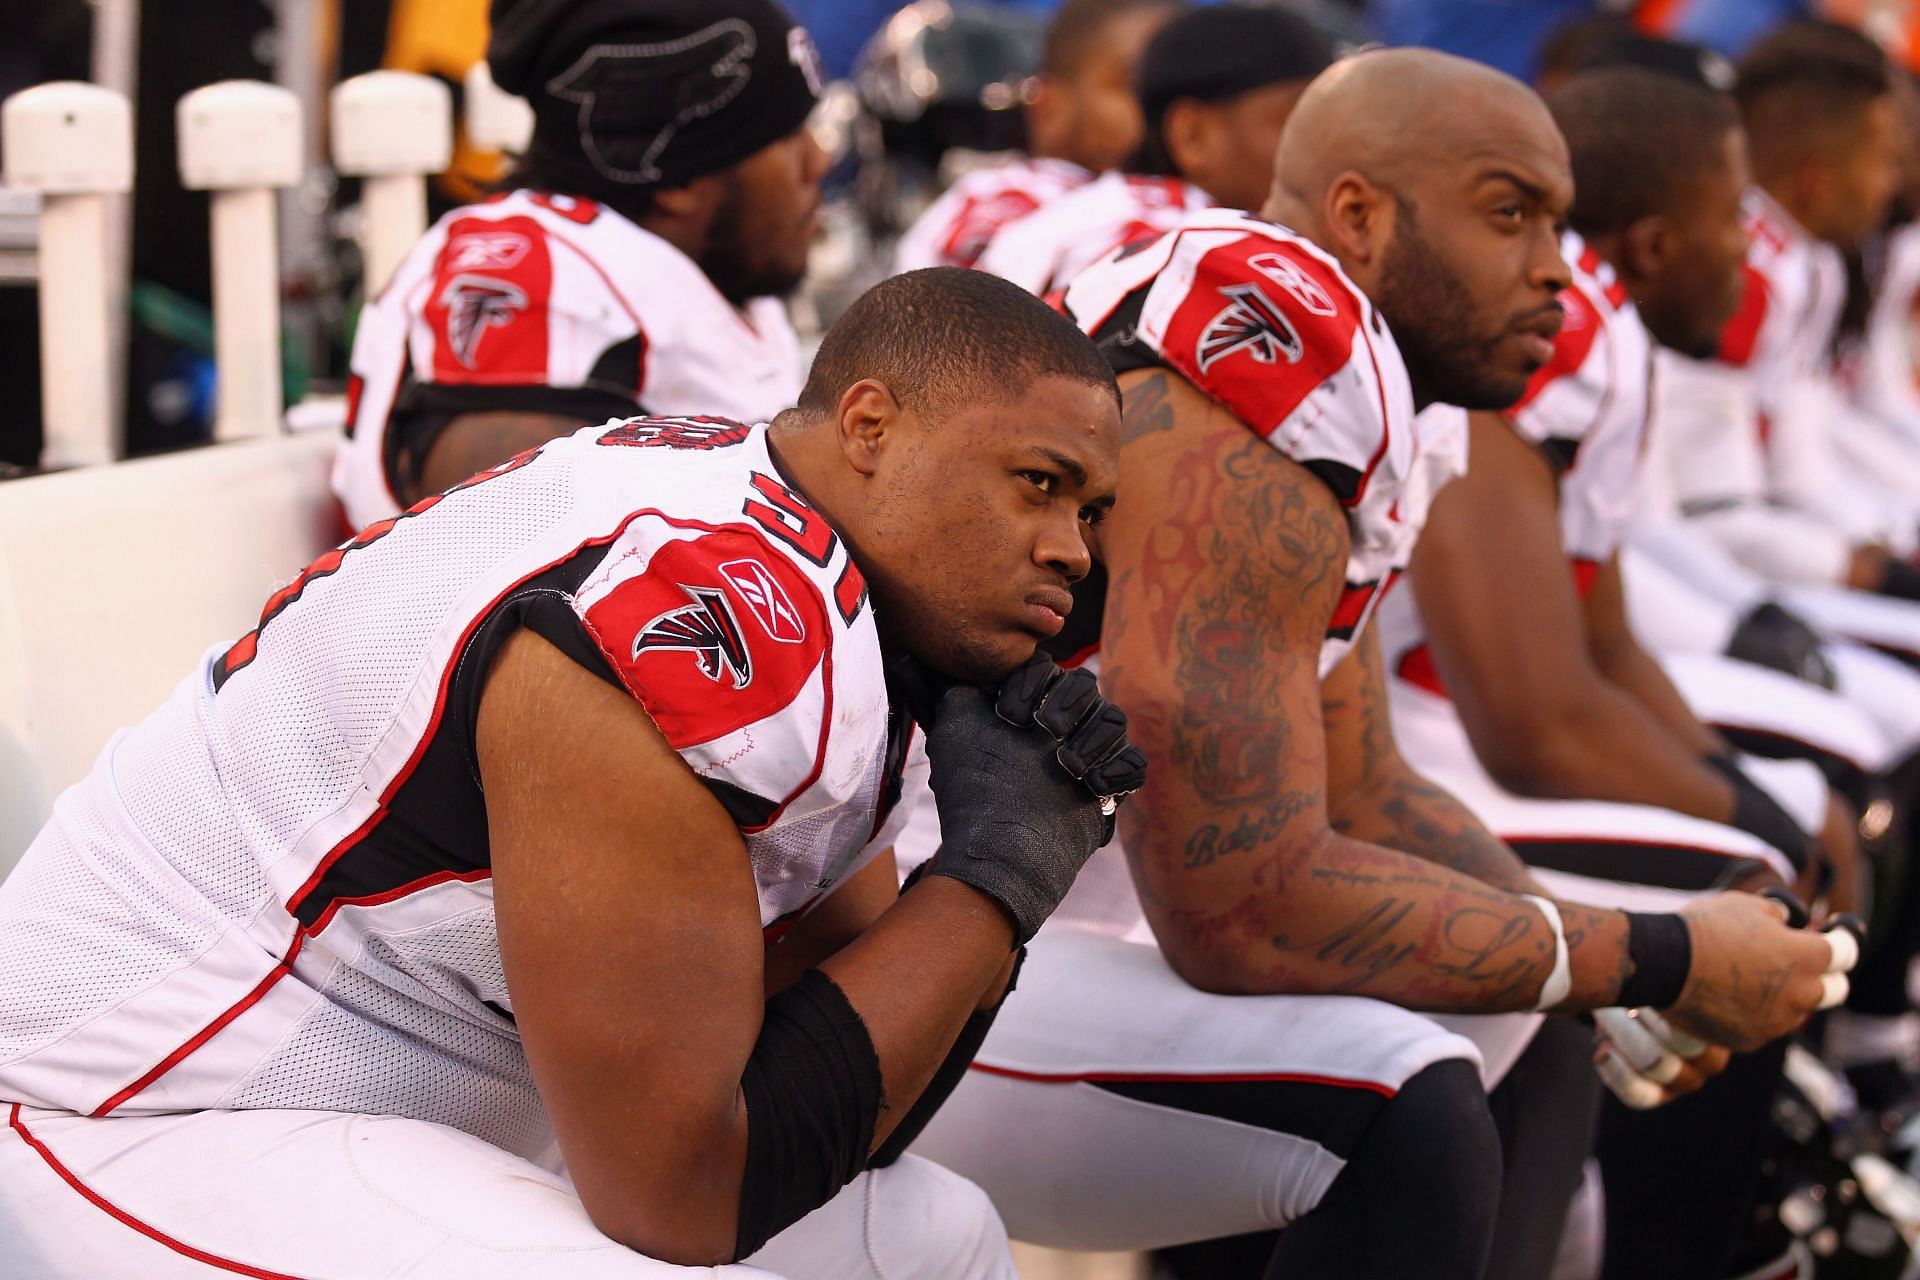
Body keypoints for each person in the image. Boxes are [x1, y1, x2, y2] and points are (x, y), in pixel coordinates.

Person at [0, 269, 1147, 1279]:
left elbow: (846, 1106)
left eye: (1089, 510)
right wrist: (994, 880)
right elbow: (682, 1194)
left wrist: (992, 895)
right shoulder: (710, 612)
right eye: (1036, 483)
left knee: (932, 1238)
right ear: (870, 425)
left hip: (402, 1100)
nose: (1072, 550)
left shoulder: (831, 584)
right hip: (143, 1104)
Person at [905, 49, 1847, 1280]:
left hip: (1045, 912)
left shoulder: (1364, 387)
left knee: (1531, 1017)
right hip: (897, 931)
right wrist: (1654, 949)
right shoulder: (1275, 341)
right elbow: (1237, 907)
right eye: (1511, 214)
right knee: (1402, 1109)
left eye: (1559, 222)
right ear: (1358, 214)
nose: (1558, 268)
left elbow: (1366, 791)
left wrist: (1593, 971)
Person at [1376, 65, 1864, 1279]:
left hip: (1390, 741)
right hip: (1404, 745)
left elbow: (1601, 636)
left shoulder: (1585, 319)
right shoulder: (1537, 327)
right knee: (1736, 886)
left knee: (1770, 835)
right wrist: (1749, 817)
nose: (1751, 256)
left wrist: (1745, 785)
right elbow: (1528, 711)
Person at [331, 0, 831, 531]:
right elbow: (499, 540)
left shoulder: (722, 273)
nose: (819, 160)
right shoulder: (534, 264)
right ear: (680, 178)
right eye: (785, 137)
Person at [975, 3, 1335, 295]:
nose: (1322, 149)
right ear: (1193, 136)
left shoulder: (1093, 211)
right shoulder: (1189, 249)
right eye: (1294, 123)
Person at [892, 0, 1182, 274]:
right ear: (1049, 110)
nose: (1171, 110)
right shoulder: (1007, 202)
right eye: (1135, 85)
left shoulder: (1198, 205)